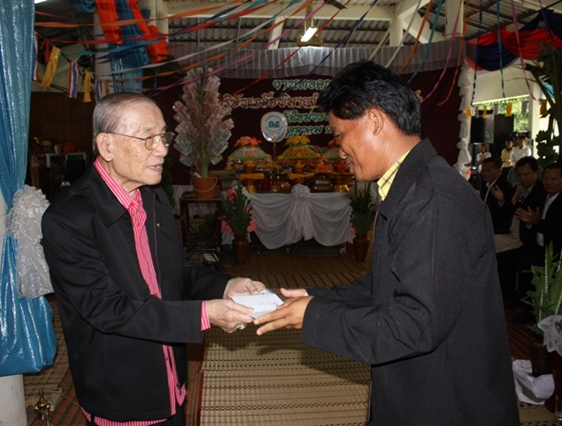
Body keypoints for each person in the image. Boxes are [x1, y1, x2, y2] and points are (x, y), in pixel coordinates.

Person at [254, 61, 519, 425]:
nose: (339, 150)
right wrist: (318, 298)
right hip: (422, 392)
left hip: (447, 403)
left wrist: (315, 316)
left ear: (375, 121)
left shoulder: (433, 200)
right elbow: (390, 283)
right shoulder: (413, 186)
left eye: (339, 135)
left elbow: (414, 324)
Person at [42, 92, 265, 426]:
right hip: (121, 390)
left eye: (163, 137)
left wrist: (225, 286)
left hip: (171, 376)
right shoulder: (68, 219)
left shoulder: (151, 195)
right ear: (107, 146)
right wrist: (205, 314)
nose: (162, 150)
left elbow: (176, 266)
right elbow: (107, 309)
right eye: (148, 139)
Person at [497, 163, 562, 321]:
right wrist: (530, 223)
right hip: (536, 246)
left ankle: (529, 310)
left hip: (556, 251)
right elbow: (529, 222)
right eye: (546, 179)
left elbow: (561, 233)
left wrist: (537, 222)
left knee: (527, 264)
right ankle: (510, 299)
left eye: (554, 179)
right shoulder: (540, 198)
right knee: (505, 258)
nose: (549, 183)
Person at [493, 156, 546, 253]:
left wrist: (515, 201)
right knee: (483, 242)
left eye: (526, 174)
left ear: (536, 173)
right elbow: (506, 213)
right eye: (519, 175)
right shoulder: (517, 189)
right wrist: (506, 200)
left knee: (503, 256)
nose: (522, 178)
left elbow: (524, 213)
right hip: (510, 233)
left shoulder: (541, 192)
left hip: (525, 239)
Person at [480, 157, 513, 234]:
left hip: (498, 228)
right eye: (483, 170)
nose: (485, 173)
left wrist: (501, 200)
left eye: (489, 170)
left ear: (498, 170)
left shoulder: (505, 187)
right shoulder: (485, 186)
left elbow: (509, 211)